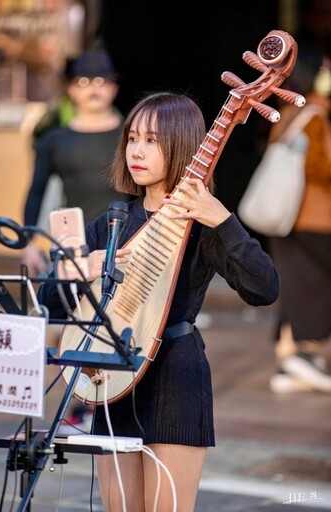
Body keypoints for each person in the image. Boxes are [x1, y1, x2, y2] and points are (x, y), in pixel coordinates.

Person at [37, 91, 279, 511]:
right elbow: (49, 305)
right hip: (112, 375)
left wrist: (222, 219)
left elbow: (264, 289)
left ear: (182, 145)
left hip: (176, 378)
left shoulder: (201, 224)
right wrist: (86, 267)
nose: (137, 151)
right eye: (132, 138)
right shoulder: (114, 221)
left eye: (152, 140)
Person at [22, 46, 130, 277]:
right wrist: (27, 244)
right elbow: (36, 192)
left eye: (101, 81)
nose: (93, 88)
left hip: (127, 242)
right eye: (83, 82)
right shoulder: (54, 140)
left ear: (114, 87)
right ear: (71, 89)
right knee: (72, 309)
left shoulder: (132, 137)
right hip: (73, 241)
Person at [266, 48, 331, 394]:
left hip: (285, 216)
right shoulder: (316, 113)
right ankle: (302, 355)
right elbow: (318, 167)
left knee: (295, 284)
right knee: (316, 286)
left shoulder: (290, 111)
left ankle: (287, 360)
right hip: (315, 218)